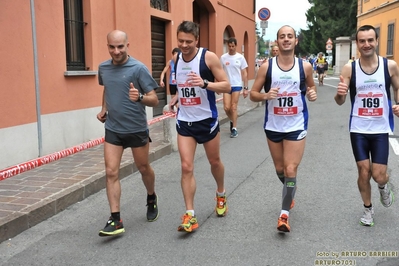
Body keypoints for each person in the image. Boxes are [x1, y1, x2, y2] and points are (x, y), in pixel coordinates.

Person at [249, 25, 317, 233]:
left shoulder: (304, 67)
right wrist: (265, 96)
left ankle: (284, 215)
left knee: (290, 169)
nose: (286, 39)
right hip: (273, 125)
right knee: (280, 170)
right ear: (276, 42)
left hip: (296, 125)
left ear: (296, 41)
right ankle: (290, 187)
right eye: (282, 37)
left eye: (290, 36)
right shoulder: (267, 67)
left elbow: (311, 86)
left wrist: (312, 93)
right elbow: (253, 93)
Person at [168, 21, 231, 233]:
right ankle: (190, 215)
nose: (184, 45)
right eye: (180, 41)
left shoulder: (208, 57)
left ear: (197, 39)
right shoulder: (176, 58)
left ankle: (221, 193)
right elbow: (180, 84)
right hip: (185, 120)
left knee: (214, 162)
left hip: (207, 120)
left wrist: (205, 84)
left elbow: (226, 85)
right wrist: (177, 96)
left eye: (188, 41)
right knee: (186, 166)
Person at [96, 30, 160, 237]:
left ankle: (151, 196)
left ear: (127, 45)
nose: (116, 51)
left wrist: (140, 96)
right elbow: (107, 88)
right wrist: (104, 108)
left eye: (120, 47)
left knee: (143, 168)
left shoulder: (138, 68)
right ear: (107, 46)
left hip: (136, 128)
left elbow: (154, 99)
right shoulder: (103, 68)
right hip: (113, 129)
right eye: (112, 47)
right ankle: (115, 219)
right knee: (111, 172)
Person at [334, 25, 399, 226]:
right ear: (357, 44)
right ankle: (368, 209)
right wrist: (340, 93)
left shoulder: (390, 66)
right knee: (363, 171)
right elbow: (339, 101)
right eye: (362, 41)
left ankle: (383, 186)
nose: (366, 44)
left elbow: (397, 88)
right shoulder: (349, 68)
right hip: (358, 129)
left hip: (380, 129)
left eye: (370, 40)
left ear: (377, 41)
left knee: (379, 175)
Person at [220, 37, 249, 138]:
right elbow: (220, 71)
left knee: (233, 106)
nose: (231, 48)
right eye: (229, 46)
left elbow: (244, 73)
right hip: (226, 85)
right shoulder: (223, 57)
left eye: (233, 46)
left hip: (236, 84)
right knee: (226, 107)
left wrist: (246, 88)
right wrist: (218, 85)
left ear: (236, 46)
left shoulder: (240, 57)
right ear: (227, 46)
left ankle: (234, 128)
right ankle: (233, 119)